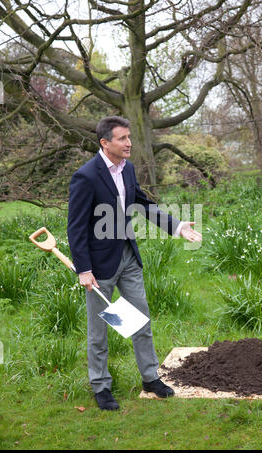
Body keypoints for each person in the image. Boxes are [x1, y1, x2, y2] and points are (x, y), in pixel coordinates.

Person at [67, 116, 202, 411]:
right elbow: (75, 228)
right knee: (100, 329)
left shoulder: (127, 170)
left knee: (139, 320)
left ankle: (150, 378)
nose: (129, 143)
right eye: (122, 138)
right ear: (105, 143)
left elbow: (141, 204)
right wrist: (84, 270)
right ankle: (101, 386)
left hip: (127, 257)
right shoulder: (86, 176)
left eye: (129, 137)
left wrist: (177, 226)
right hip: (99, 267)